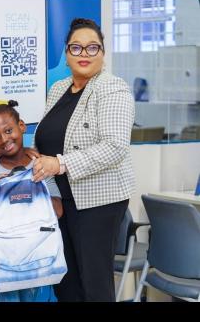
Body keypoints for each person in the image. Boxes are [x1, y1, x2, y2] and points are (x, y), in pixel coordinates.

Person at [31, 18, 136, 302]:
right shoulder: (58, 89)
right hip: (59, 202)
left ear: (103, 53)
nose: (84, 54)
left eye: (93, 48)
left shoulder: (112, 88)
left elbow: (115, 147)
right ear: (66, 54)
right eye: (76, 48)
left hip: (97, 203)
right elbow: (45, 139)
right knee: (65, 284)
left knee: (94, 286)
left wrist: (60, 163)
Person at [0, 100, 63, 302]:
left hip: (40, 261)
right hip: (4, 263)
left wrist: (30, 187)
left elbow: (58, 211)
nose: (4, 140)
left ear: (21, 126)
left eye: (8, 130)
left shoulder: (40, 165)